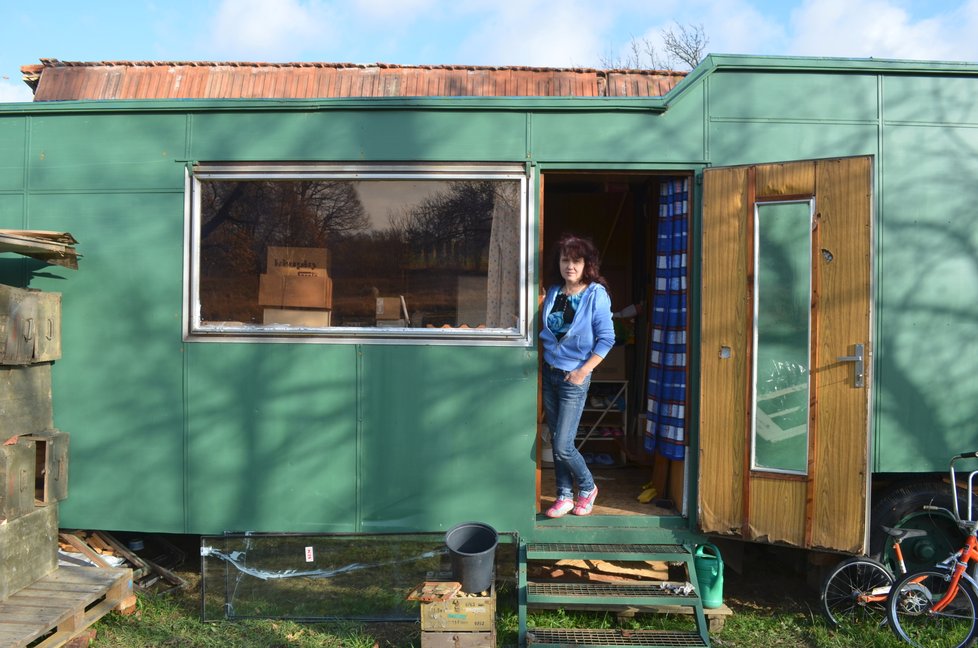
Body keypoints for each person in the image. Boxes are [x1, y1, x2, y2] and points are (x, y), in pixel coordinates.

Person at [539, 233, 615, 517]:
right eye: (565, 260)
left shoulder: (595, 293)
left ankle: (587, 487)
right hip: (550, 374)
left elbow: (606, 339)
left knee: (562, 444)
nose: (570, 266)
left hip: (575, 377)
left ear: (587, 264)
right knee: (557, 437)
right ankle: (564, 495)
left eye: (576, 261)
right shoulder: (554, 292)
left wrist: (583, 371)